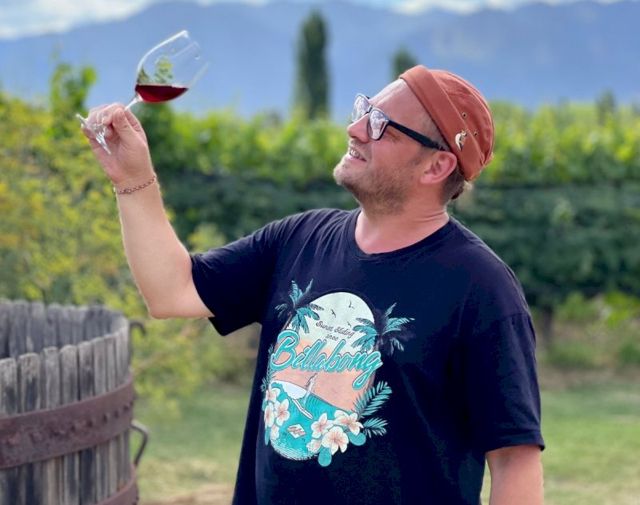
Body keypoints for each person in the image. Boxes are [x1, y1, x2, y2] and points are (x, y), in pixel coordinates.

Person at [83, 64, 544, 505]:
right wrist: (133, 179)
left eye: (381, 124)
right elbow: (172, 291)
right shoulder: (299, 239)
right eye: (364, 109)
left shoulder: (480, 288)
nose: (355, 129)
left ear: (436, 166)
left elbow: (514, 460)